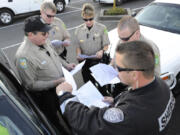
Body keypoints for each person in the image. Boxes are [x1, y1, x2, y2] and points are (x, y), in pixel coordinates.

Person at [56, 41, 175, 135]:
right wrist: (116, 101)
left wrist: (64, 94)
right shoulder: (162, 85)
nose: (114, 71)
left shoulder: (130, 115)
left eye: (118, 67)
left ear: (134, 74)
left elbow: (89, 122)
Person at [15, 15, 75, 133]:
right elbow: (30, 85)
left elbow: (54, 56)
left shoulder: (44, 40)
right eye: (43, 33)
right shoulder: (23, 56)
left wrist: (66, 65)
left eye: (47, 32)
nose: (47, 36)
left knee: (67, 113)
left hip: (60, 86)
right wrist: (55, 82)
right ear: (31, 34)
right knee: (54, 121)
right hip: (46, 96)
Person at [75, 3, 110, 87]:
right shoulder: (78, 30)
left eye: (91, 19)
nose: (88, 22)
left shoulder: (102, 28)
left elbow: (106, 45)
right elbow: (78, 46)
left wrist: (102, 51)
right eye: (85, 20)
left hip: (98, 62)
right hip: (85, 63)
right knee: (88, 85)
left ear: (94, 16)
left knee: (101, 86)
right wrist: (78, 54)